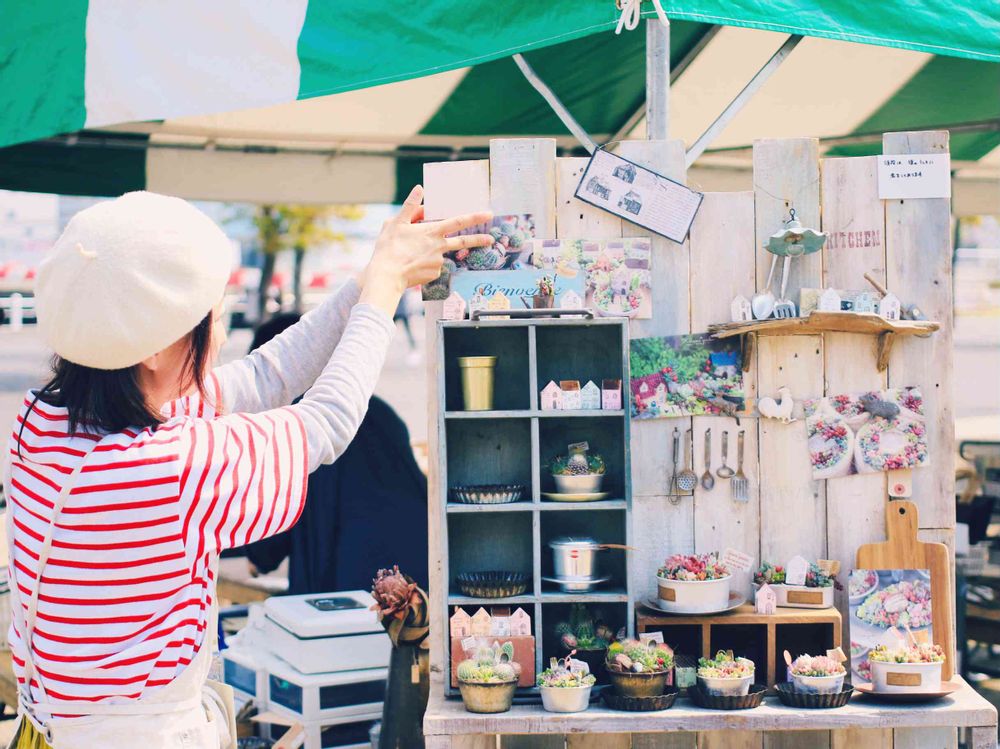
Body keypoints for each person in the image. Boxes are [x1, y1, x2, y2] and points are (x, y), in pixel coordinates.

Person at [2, 189, 491, 748]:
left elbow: (265, 376)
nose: (218, 330)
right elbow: (326, 421)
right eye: (211, 314)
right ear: (155, 349)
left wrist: (373, 277)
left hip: (56, 728)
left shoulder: (43, 418)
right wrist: (378, 297)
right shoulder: (171, 464)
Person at [237, 314, 428, 592]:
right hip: (414, 588)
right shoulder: (379, 412)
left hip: (343, 597)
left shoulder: (291, 422)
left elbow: (272, 522)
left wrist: (258, 558)